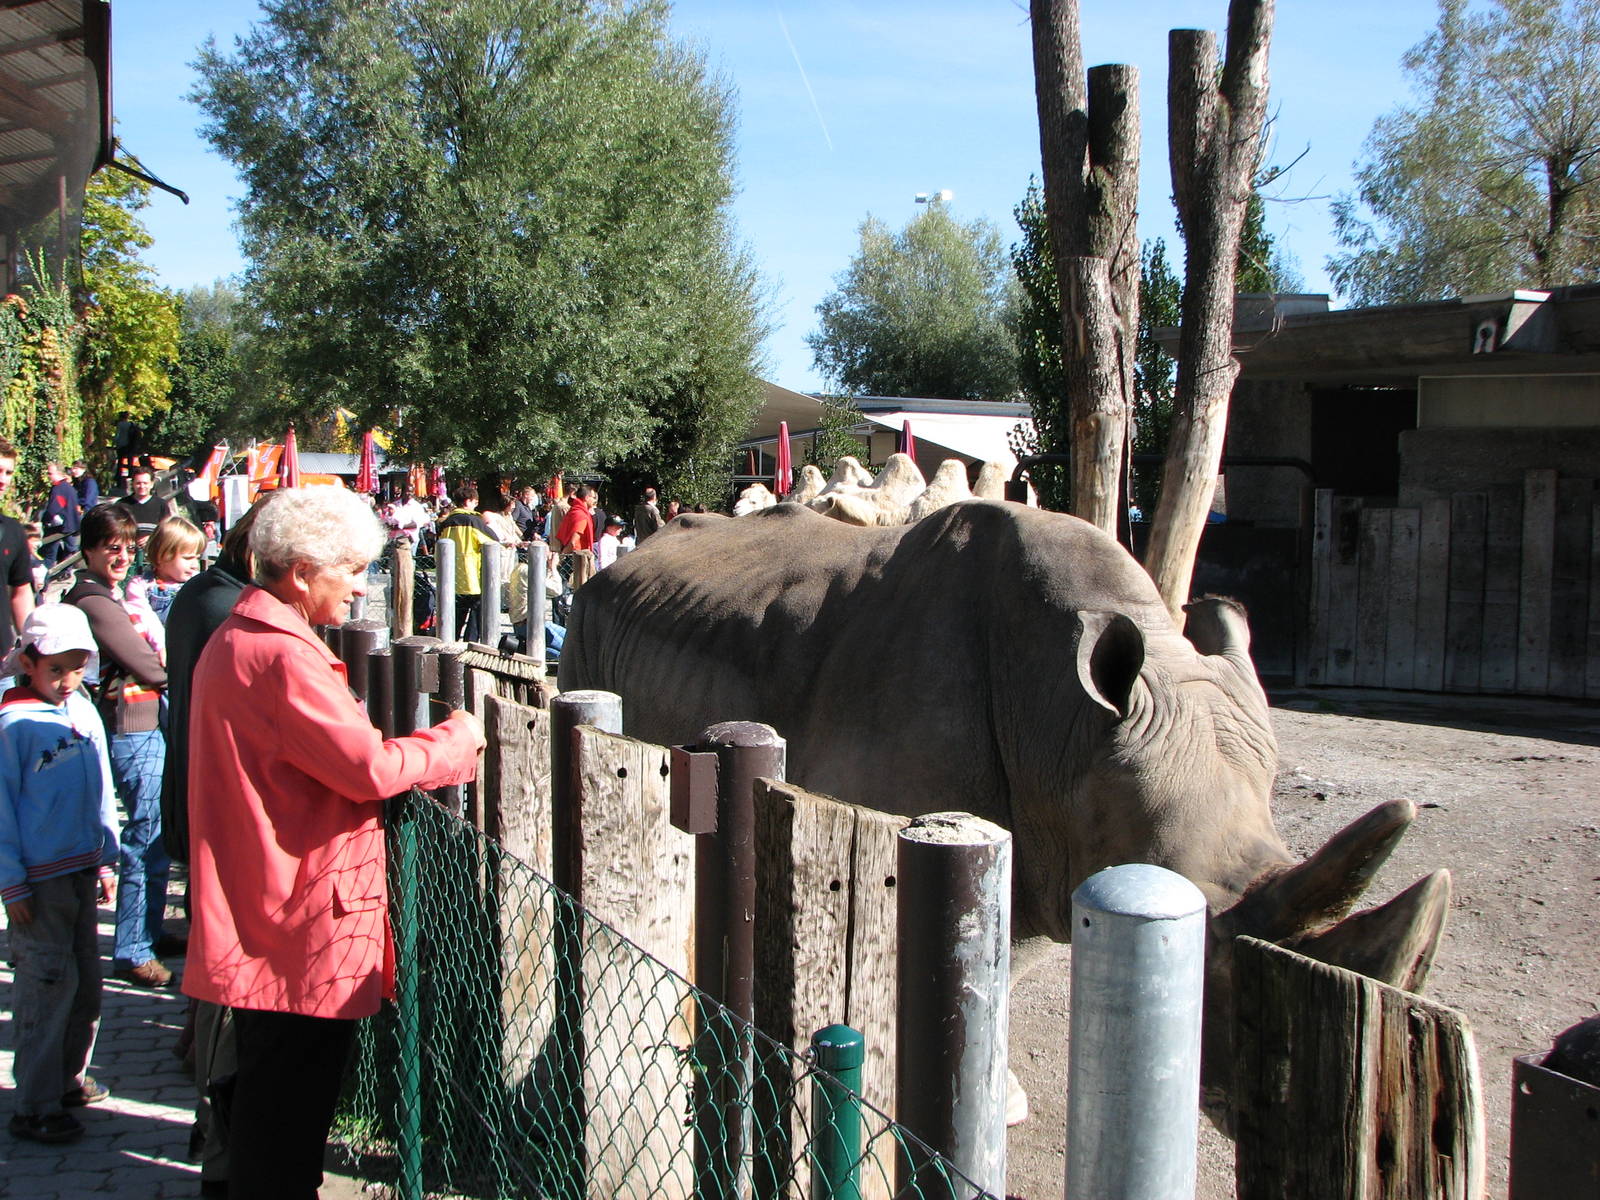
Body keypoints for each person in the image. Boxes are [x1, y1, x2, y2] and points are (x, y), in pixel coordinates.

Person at [184, 486, 484, 1200]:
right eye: (349, 569)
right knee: (289, 1112)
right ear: (300, 573)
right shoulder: (283, 657)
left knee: (271, 1098)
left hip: (267, 896)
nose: (360, 585)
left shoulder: (239, 639)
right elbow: (369, 768)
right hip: (299, 916)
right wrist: (456, 740)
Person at [159, 494, 278, 1196]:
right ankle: (219, 1138)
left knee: (215, 967)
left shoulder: (208, 593)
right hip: (215, 817)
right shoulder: (225, 611)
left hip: (198, 804)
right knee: (227, 984)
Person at [0, 604, 118, 1144]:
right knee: (46, 985)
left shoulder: (82, 710)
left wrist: (105, 853)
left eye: (76, 667)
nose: (67, 680)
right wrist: (11, 880)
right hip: (38, 881)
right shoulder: (13, 725)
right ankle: (34, 1101)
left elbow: (99, 786)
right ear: (28, 662)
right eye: (55, 669)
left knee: (84, 984)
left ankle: (67, 1078)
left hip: (79, 867)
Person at [65, 503, 174, 988]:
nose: (123, 556)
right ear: (88, 549)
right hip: (131, 727)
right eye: (112, 547)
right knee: (145, 834)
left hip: (141, 721)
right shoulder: (94, 601)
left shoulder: (108, 594)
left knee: (154, 831)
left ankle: (148, 929)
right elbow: (149, 668)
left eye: (130, 548)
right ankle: (133, 947)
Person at [435, 482, 496, 641]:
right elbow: (493, 541)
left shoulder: (446, 522)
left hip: (451, 577)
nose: (477, 504)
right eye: (475, 501)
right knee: (475, 618)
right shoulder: (474, 521)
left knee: (454, 618)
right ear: (468, 501)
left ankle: (449, 646)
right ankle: (470, 646)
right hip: (472, 577)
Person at [125, 517, 206, 628]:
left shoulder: (198, 584)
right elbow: (144, 620)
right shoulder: (142, 586)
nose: (195, 565)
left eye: (197, 558)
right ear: (162, 556)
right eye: (188, 558)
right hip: (154, 642)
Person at [0, 440, 33, 670]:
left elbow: (20, 591)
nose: (3, 479)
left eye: (8, 472)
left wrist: (32, 647)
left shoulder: (12, 530)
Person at [554, 484, 597, 590]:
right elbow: (574, 540)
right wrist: (562, 557)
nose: (594, 500)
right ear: (587, 498)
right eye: (593, 497)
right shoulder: (581, 515)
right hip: (575, 558)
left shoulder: (573, 510)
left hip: (570, 555)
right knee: (569, 587)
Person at [39, 462, 80, 571]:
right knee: (70, 551)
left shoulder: (58, 489)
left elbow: (54, 509)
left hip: (59, 527)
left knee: (48, 555)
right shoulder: (69, 488)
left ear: (59, 473)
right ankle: (66, 572)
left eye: (50, 473)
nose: (48, 476)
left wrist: (45, 520)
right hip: (71, 525)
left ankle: (45, 581)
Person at [120, 466, 174, 541]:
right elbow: (116, 529)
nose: (142, 486)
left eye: (145, 483)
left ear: (151, 484)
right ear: (132, 484)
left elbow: (167, 530)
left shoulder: (161, 505)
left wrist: (150, 539)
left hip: (153, 547)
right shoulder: (122, 505)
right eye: (138, 483)